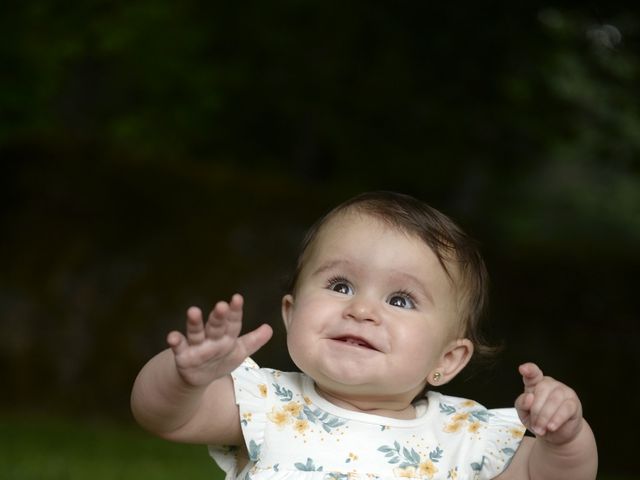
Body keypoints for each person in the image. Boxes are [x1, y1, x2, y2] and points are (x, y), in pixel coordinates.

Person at [131, 191, 597, 480]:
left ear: (448, 359)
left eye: (400, 300)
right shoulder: (269, 401)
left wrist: (565, 437)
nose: (361, 310)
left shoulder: (466, 436)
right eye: (340, 286)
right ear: (291, 315)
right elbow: (164, 417)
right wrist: (185, 378)